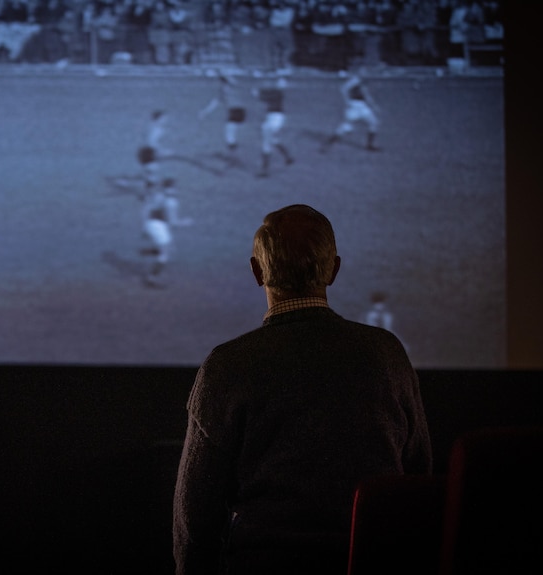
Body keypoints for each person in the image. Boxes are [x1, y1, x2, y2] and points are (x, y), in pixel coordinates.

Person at [173, 204, 432, 574]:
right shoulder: (387, 355)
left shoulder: (227, 366)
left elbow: (196, 515)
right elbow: (418, 477)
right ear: (334, 270)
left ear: (257, 271)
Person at [140, 177, 192, 287]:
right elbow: (173, 222)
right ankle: (152, 279)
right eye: (174, 188)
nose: (175, 190)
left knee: (171, 249)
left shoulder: (158, 196)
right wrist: (185, 222)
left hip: (151, 224)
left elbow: (146, 208)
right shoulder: (171, 202)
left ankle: (150, 251)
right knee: (166, 254)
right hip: (159, 226)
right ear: (170, 188)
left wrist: (144, 226)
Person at [321, 69, 380, 152]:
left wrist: (373, 105)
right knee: (349, 127)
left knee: (372, 123)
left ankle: (328, 144)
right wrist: (347, 100)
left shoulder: (361, 81)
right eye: (365, 71)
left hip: (359, 106)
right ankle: (369, 145)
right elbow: (344, 89)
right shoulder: (356, 80)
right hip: (357, 106)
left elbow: (366, 95)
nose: (367, 73)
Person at [253, 76, 294, 178]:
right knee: (272, 140)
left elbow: (266, 97)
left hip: (275, 118)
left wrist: (257, 94)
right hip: (273, 117)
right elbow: (267, 94)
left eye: (280, 83)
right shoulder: (277, 92)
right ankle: (288, 157)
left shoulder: (278, 93)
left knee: (266, 142)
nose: (278, 84)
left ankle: (264, 171)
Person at [198, 71, 247, 154]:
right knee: (232, 130)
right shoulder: (233, 87)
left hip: (234, 110)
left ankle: (233, 150)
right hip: (241, 110)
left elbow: (216, 102)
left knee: (230, 131)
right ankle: (234, 149)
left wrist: (204, 112)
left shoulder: (225, 89)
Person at [137, 109, 171, 190]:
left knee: (150, 172)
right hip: (149, 152)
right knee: (152, 172)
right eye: (164, 118)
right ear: (158, 119)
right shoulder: (157, 129)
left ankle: (147, 187)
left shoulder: (151, 126)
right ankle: (148, 190)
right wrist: (162, 151)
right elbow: (151, 142)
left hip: (145, 151)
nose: (166, 120)